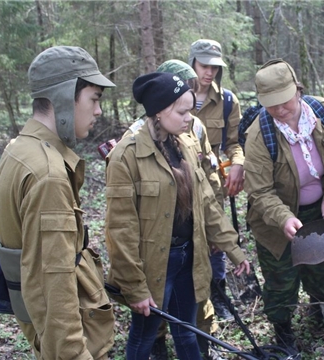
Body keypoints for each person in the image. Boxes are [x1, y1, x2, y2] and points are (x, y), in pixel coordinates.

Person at [104, 71, 250, 360]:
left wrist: (233, 249)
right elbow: (120, 229)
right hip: (153, 264)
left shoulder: (183, 143)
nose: (189, 118)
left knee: (187, 331)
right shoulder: (127, 155)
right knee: (144, 335)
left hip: (188, 256)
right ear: (159, 111)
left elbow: (206, 201)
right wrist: (134, 287)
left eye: (191, 110)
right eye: (182, 111)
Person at [0, 46, 116, 359]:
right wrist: (74, 354)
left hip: (40, 330)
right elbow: (53, 285)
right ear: (63, 97)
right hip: (69, 342)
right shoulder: (48, 174)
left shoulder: (18, 150)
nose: (98, 111)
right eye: (94, 98)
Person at [243, 59, 324, 354]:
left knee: (318, 269)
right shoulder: (259, 133)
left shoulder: (323, 114)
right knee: (281, 279)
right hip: (274, 222)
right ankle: (283, 329)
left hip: (318, 212)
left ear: (298, 90)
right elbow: (260, 190)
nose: (279, 110)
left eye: (284, 101)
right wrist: (283, 217)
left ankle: (320, 314)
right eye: (271, 104)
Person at [149, 59, 222, 360]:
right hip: (162, 235)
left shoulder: (197, 126)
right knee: (159, 300)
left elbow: (208, 172)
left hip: (196, 225)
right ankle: (157, 344)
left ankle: (204, 344)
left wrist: (213, 221)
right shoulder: (145, 134)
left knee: (198, 292)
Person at [188, 39, 245, 320]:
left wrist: (237, 165)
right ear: (192, 63)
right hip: (181, 181)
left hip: (212, 183)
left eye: (214, 67)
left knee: (216, 239)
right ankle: (190, 300)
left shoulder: (228, 101)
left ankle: (218, 295)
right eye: (203, 65)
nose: (209, 72)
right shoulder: (174, 94)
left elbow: (235, 143)